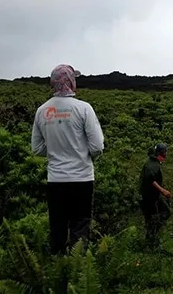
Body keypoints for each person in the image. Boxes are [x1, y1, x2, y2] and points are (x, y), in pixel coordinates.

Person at [31, 64, 105, 255]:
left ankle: (57, 272)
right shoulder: (84, 109)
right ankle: (77, 271)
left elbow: (37, 148)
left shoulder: (42, 111)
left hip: (55, 180)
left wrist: (56, 150)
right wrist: (81, 153)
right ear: (71, 82)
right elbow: (97, 146)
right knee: (80, 226)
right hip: (82, 179)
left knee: (57, 228)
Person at [139, 143, 172, 246]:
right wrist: (163, 191)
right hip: (149, 197)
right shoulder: (152, 165)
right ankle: (151, 241)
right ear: (162, 153)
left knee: (165, 212)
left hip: (155, 196)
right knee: (152, 218)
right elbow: (150, 180)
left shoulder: (155, 162)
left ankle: (152, 237)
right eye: (165, 151)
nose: (166, 153)